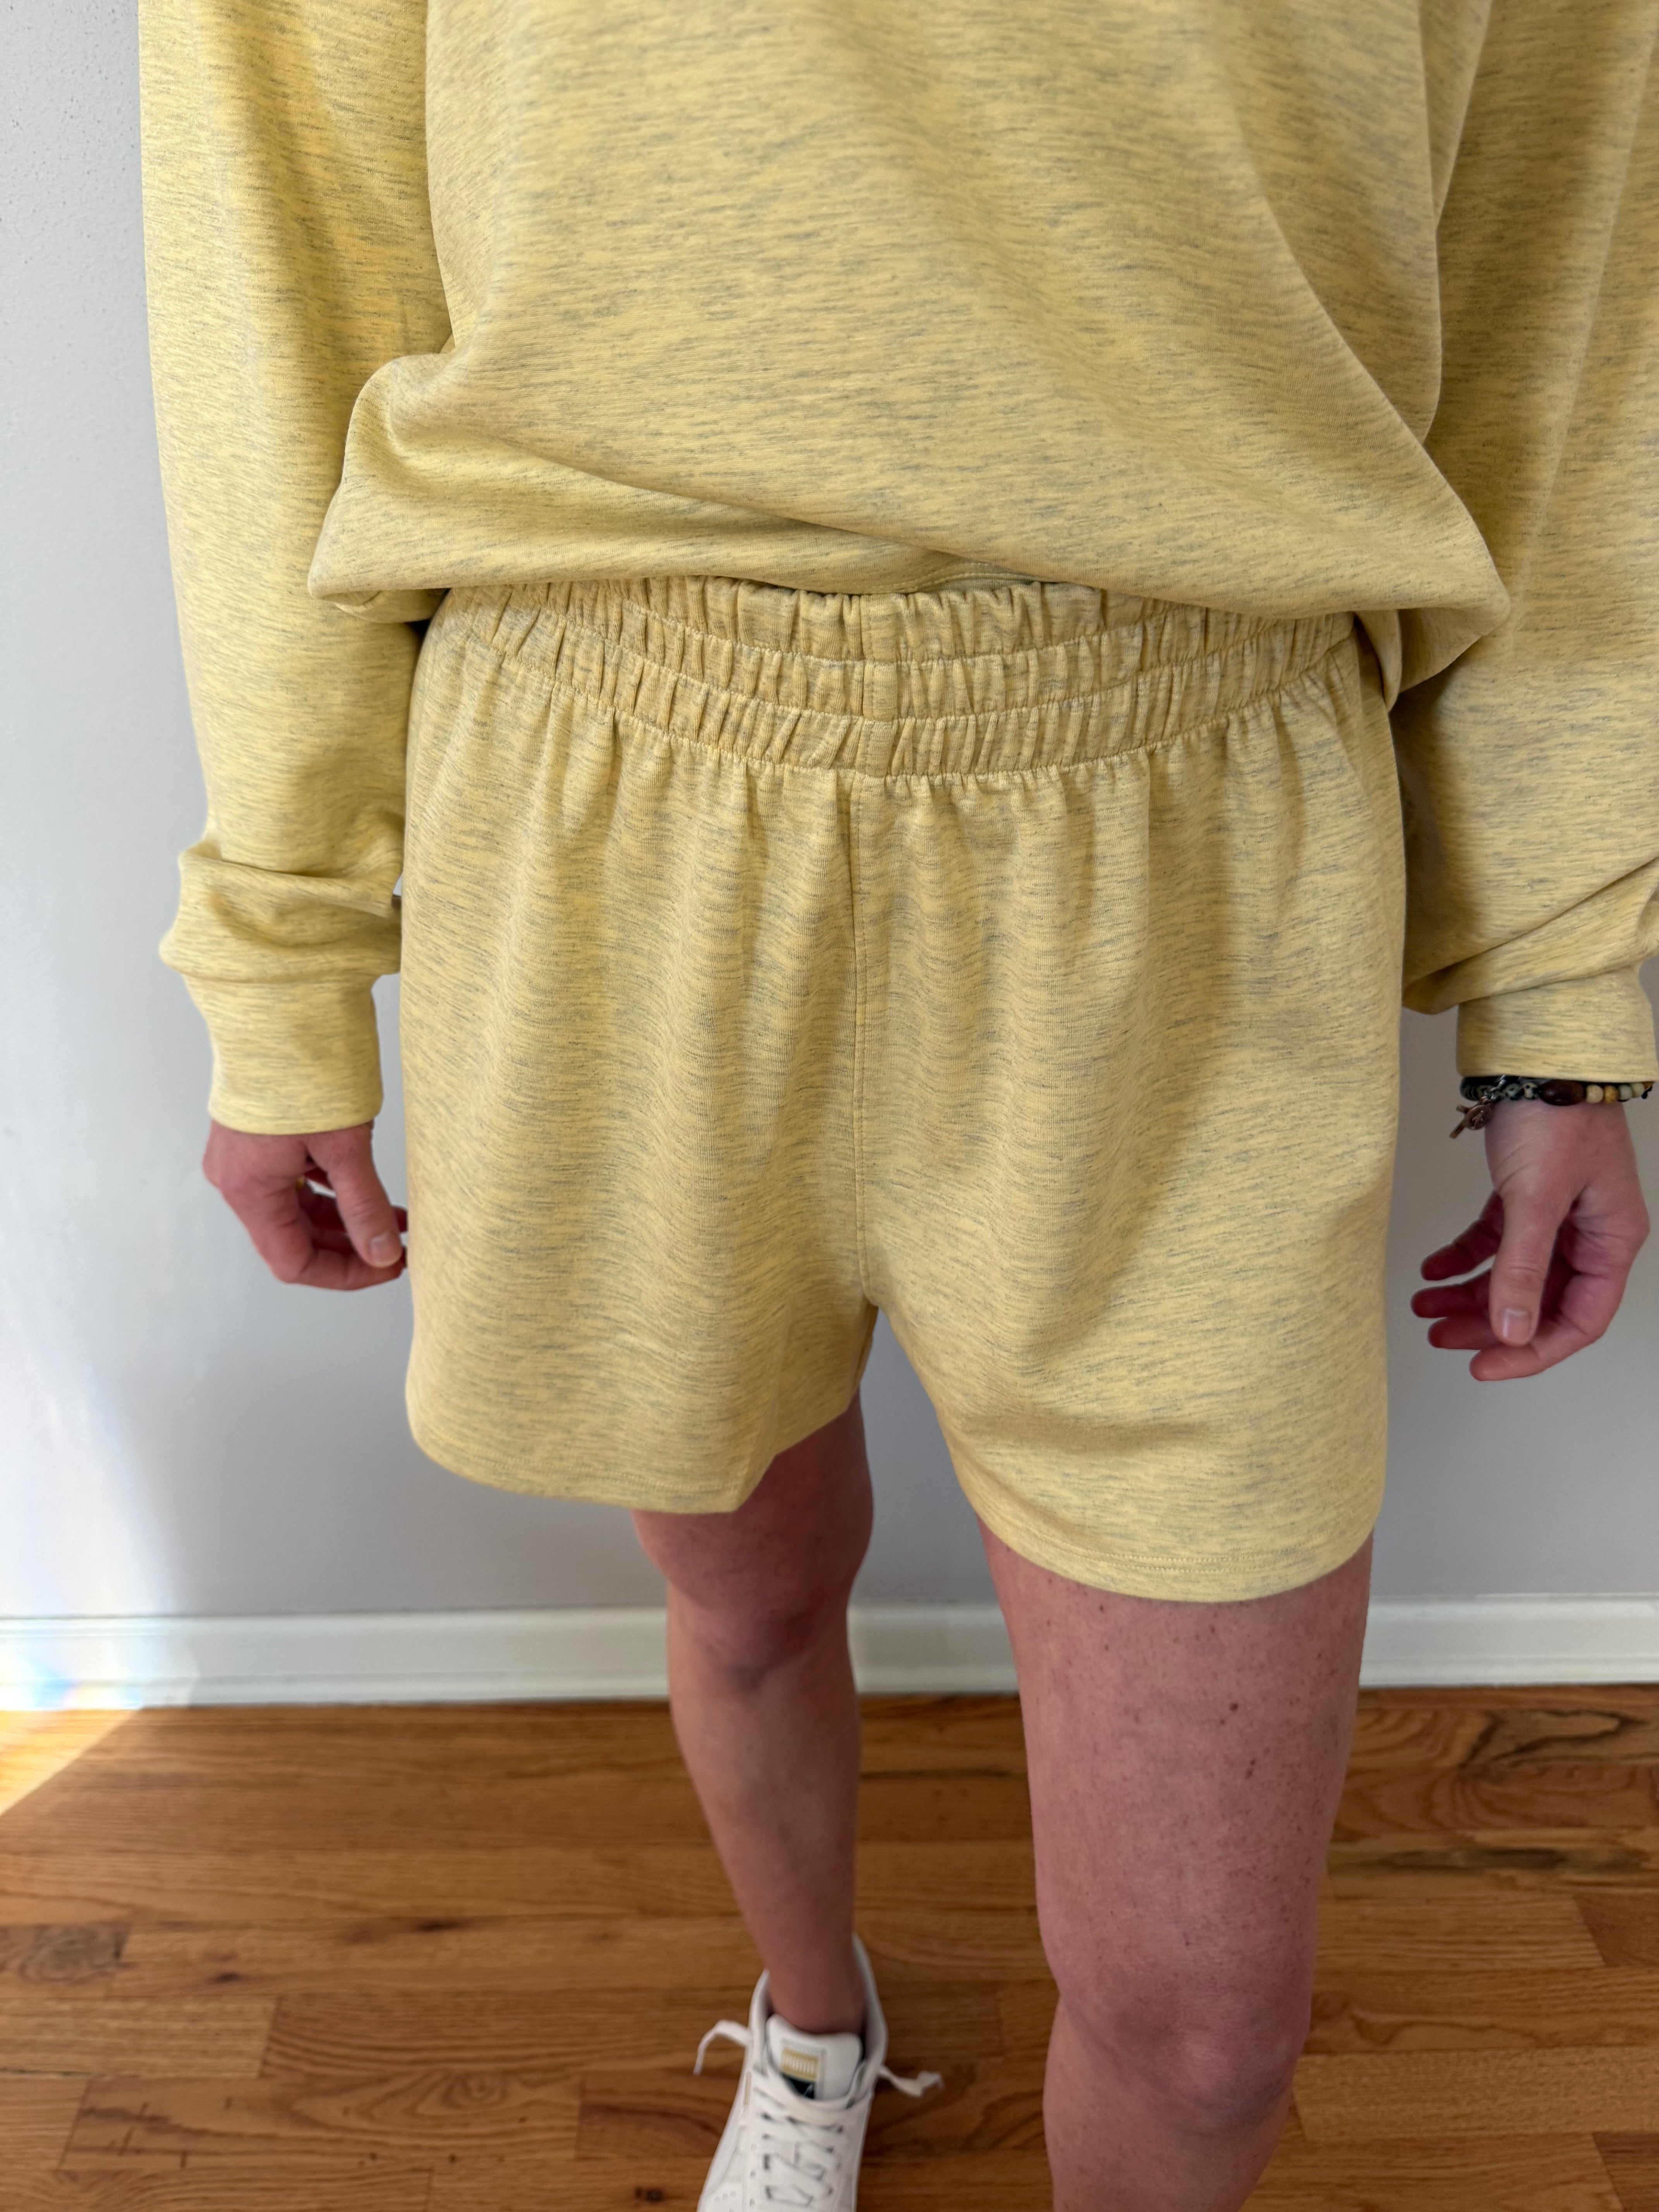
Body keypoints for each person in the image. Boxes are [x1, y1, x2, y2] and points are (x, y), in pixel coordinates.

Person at [136, 3, 1657, 2206]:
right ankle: (814, 2027)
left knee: (1209, 2027)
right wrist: (279, 956)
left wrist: (1555, 990)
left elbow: (1560, 298)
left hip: (1205, 819)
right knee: (748, 1586)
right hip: (609, 795)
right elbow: (283, 256)